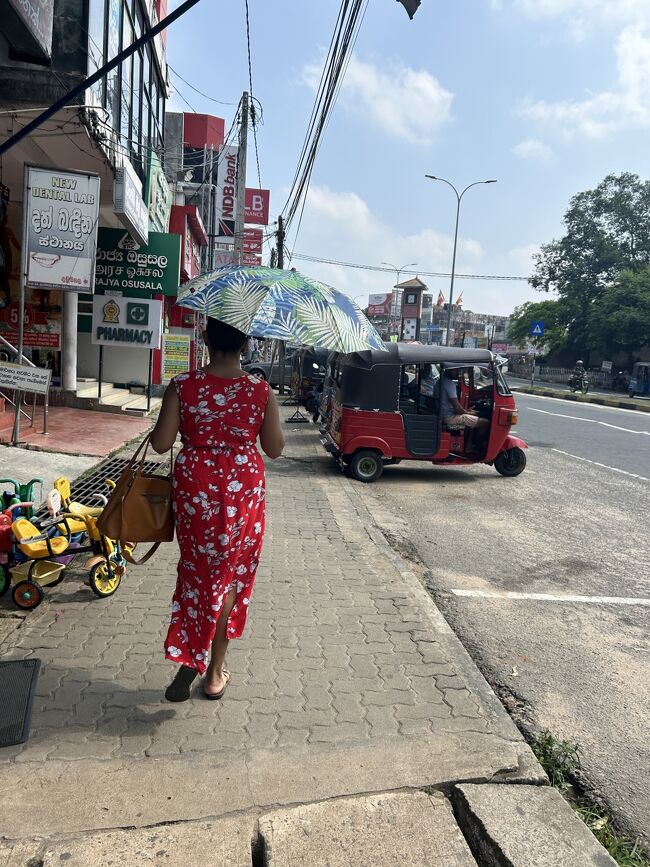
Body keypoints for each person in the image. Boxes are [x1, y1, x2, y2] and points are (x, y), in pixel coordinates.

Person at [150, 318, 285, 702]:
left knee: (200, 575)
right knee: (230, 579)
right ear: (246, 342)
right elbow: (274, 449)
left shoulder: (183, 385)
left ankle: (191, 653)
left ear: (206, 338)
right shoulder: (259, 390)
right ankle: (212, 671)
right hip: (243, 493)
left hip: (196, 491)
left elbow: (161, 444)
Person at [440, 368, 489, 451]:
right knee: (485, 422)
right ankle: (476, 447)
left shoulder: (440, 382)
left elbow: (456, 409)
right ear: (451, 371)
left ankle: (468, 445)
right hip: (449, 418)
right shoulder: (449, 384)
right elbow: (458, 409)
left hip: (444, 415)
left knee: (471, 420)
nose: (458, 373)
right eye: (456, 371)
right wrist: (468, 413)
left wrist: (466, 411)